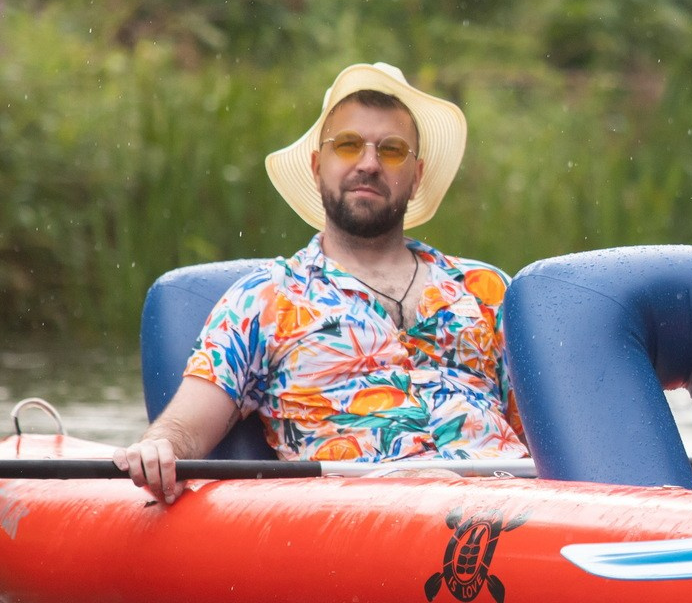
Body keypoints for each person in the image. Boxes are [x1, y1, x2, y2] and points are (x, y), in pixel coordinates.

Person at [116, 63, 524, 503]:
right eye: (348, 145)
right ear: (317, 165)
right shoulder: (265, 299)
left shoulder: (489, 289)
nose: (368, 164)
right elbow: (185, 427)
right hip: (365, 517)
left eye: (391, 151)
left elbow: (545, 433)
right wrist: (161, 448)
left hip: (516, 505)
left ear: (417, 175)